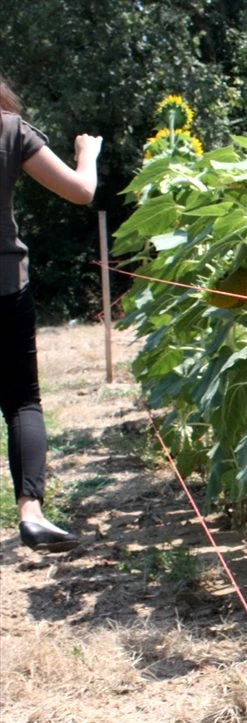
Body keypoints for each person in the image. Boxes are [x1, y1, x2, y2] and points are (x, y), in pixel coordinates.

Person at [1, 76, 102, 552]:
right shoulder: (11, 130)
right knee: (22, 401)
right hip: (5, 286)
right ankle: (32, 514)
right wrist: (88, 154)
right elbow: (81, 192)